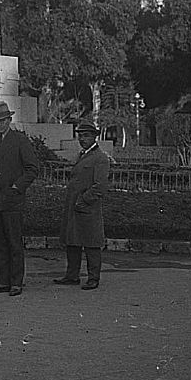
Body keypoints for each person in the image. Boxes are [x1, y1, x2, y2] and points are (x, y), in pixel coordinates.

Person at [0, 101, 39, 297]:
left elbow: (32, 168)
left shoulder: (20, 140)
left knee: (14, 242)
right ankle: (1, 281)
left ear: (9, 120)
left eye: (2, 121)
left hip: (12, 200)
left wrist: (17, 186)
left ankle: (16, 282)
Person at [54, 118, 111, 291]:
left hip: (88, 208)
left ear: (95, 137)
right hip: (74, 207)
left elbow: (100, 186)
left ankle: (93, 278)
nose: (82, 139)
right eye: (80, 136)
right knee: (73, 242)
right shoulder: (82, 155)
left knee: (92, 244)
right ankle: (72, 275)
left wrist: (84, 199)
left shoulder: (100, 158)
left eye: (86, 136)